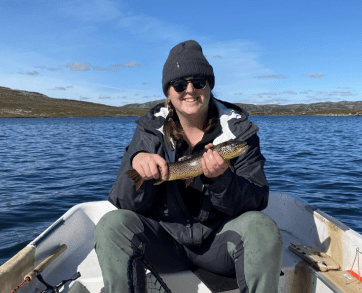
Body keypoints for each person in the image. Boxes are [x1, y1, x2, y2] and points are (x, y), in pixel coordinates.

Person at [94, 40, 283, 293]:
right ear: (168, 92)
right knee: (111, 224)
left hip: (219, 243)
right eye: (180, 84)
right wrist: (137, 164)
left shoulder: (239, 133)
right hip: (163, 242)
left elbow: (257, 200)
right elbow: (123, 201)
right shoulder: (149, 131)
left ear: (210, 86)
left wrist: (223, 180)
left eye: (199, 82)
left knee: (262, 228)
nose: (190, 90)